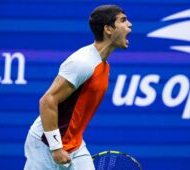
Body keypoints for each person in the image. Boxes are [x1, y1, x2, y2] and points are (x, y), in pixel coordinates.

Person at [24, 4, 132, 170]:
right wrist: (56, 147)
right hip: (46, 144)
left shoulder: (103, 65)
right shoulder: (83, 62)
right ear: (108, 29)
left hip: (75, 144)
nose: (129, 25)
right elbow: (47, 101)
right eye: (123, 20)